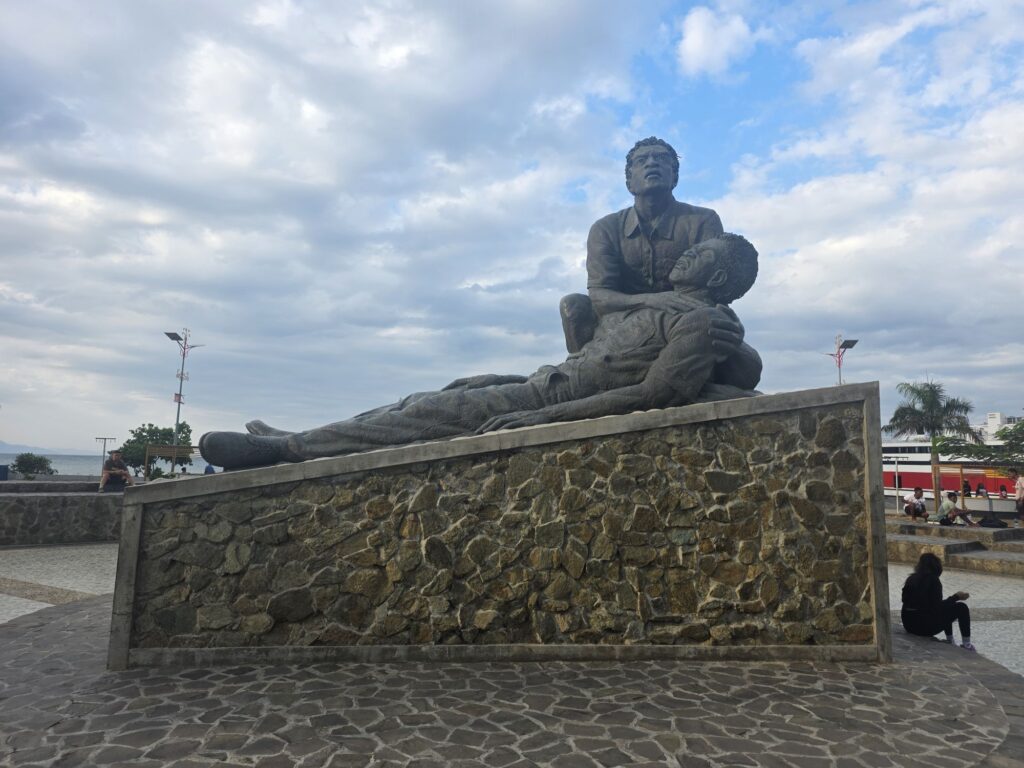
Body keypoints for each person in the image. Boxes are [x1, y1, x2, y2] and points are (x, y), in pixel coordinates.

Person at [201, 234, 761, 470]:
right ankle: (302, 440)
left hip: (551, 399)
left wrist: (539, 417)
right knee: (433, 396)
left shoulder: (705, 322)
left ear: (715, 271)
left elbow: (653, 395)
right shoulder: (656, 304)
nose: (684, 255)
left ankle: (289, 451)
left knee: (427, 415)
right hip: (545, 380)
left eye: (698, 253)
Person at [557, 137, 760, 391]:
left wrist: (726, 323)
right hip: (624, 327)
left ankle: (683, 382)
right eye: (642, 161)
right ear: (629, 181)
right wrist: (652, 301)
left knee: (745, 368)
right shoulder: (605, 228)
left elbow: (717, 284)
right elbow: (599, 295)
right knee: (572, 305)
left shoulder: (702, 220)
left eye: (661, 159)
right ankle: (583, 381)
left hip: (686, 322)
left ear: (674, 177)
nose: (652, 163)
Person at [901, 552, 975, 651]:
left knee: (947, 606)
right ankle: (967, 645)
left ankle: (950, 640)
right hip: (924, 628)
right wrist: (956, 597)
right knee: (961, 607)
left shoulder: (911, 579)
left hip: (909, 624)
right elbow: (938, 607)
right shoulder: (933, 580)